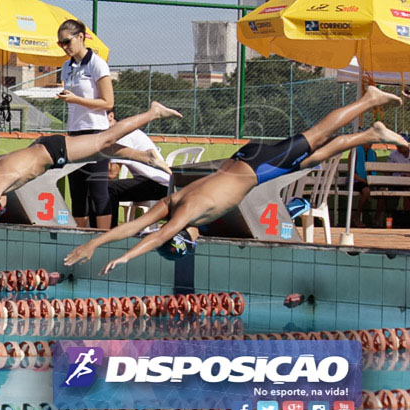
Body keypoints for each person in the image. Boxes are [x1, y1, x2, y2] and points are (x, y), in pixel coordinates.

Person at [64, 86, 406, 275]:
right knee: (316, 156)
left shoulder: (185, 215)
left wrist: (126, 258)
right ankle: (370, 134)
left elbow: (156, 236)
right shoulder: (171, 204)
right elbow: (136, 229)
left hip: (259, 165)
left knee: (318, 135)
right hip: (247, 161)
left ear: (186, 236)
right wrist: (94, 244)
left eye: (191, 241)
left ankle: (369, 99)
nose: (197, 238)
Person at [0, 102, 182, 267]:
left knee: (105, 139)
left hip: (54, 151)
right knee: (102, 150)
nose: (1, 202)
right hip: (45, 149)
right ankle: (143, 156)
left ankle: (152, 111)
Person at [56, 19, 115, 229]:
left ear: (80, 37)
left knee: (98, 192)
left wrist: (76, 99)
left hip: (96, 134)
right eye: (60, 44)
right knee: (77, 192)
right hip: (74, 133)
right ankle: (79, 237)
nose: (64, 47)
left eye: (66, 42)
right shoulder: (67, 66)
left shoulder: (96, 64)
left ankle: (102, 239)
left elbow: (108, 102)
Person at [105, 110, 171, 225]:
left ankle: (108, 230)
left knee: (108, 189)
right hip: (150, 181)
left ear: (111, 116)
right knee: (100, 187)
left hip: (159, 184)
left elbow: (112, 173)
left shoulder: (122, 134)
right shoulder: (122, 132)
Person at [351, 143, 378, 227]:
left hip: (370, 180)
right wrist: (365, 181)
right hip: (356, 180)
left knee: (383, 191)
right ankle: (357, 217)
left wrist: (371, 180)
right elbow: (351, 172)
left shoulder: (373, 153)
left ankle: (376, 220)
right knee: (366, 191)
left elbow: (374, 170)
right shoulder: (354, 152)